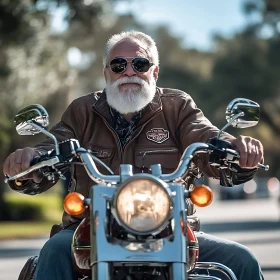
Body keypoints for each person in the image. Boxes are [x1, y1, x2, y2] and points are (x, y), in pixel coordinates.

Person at [3, 30, 264, 280]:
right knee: (54, 251)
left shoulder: (178, 107)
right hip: (88, 230)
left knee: (242, 260)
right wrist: (30, 160)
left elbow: (204, 134)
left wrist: (235, 148)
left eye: (140, 64)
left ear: (155, 71)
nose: (129, 72)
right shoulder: (82, 112)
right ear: (106, 73)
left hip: (172, 231)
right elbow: (55, 143)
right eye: (118, 65)